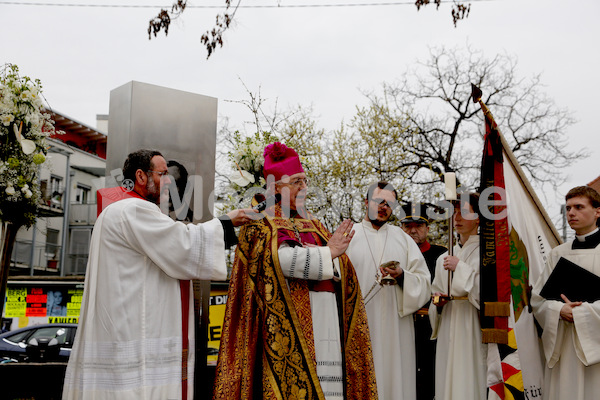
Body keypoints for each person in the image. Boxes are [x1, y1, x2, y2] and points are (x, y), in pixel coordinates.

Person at [62, 149, 257, 400]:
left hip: (121, 325)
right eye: (163, 174)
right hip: (133, 330)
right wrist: (227, 222)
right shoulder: (133, 209)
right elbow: (182, 244)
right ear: (141, 176)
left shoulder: (116, 209)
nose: (168, 182)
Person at [213, 142, 378, 399]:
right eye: (297, 182)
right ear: (275, 187)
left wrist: (335, 261)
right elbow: (276, 262)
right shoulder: (259, 220)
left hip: (325, 319)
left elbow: (339, 263)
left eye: (304, 180)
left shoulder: (312, 221)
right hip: (285, 328)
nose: (304, 188)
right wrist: (328, 254)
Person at [345, 183, 431, 399]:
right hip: (359, 326)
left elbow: (424, 282)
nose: (384, 207)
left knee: (396, 383)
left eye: (389, 203)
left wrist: (402, 275)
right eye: (379, 201)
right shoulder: (348, 235)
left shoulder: (402, 239)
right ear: (366, 203)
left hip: (396, 328)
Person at [531, 186, 600, 400]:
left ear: (598, 211)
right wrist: (559, 309)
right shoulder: (557, 254)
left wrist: (580, 313)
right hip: (564, 347)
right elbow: (538, 301)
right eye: (568, 207)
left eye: (579, 207)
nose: (571, 213)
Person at [429, 192, 487, 400]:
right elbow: (434, 295)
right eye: (453, 212)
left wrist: (460, 268)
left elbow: (488, 293)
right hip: (448, 324)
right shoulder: (443, 257)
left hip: (472, 325)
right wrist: (437, 302)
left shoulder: (488, 253)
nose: (457, 218)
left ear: (479, 217)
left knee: (469, 380)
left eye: (463, 212)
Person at [401, 203, 446, 400]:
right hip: (403, 326)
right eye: (407, 225)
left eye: (418, 225)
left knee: (432, 380)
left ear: (428, 228)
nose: (413, 230)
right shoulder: (395, 256)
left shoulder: (441, 255)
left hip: (432, 327)